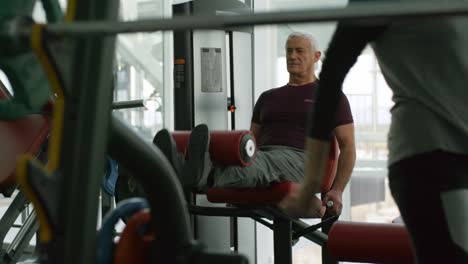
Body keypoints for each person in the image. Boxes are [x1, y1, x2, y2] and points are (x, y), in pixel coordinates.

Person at [279, 1, 468, 263]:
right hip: (432, 154)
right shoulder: (374, 3)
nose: (293, 56)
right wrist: (311, 185)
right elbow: (331, 79)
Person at [155, 32, 355, 218]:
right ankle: (177, 168)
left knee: (265, 162)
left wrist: (337, 190)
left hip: (304, 161)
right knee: (236, 155)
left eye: (299, 51)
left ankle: (206, 175)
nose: (292, 56)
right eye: (288, 51)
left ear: (316, 56)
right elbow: (250, 142)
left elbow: (348, 148)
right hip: (265, 156)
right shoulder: (268, 97)